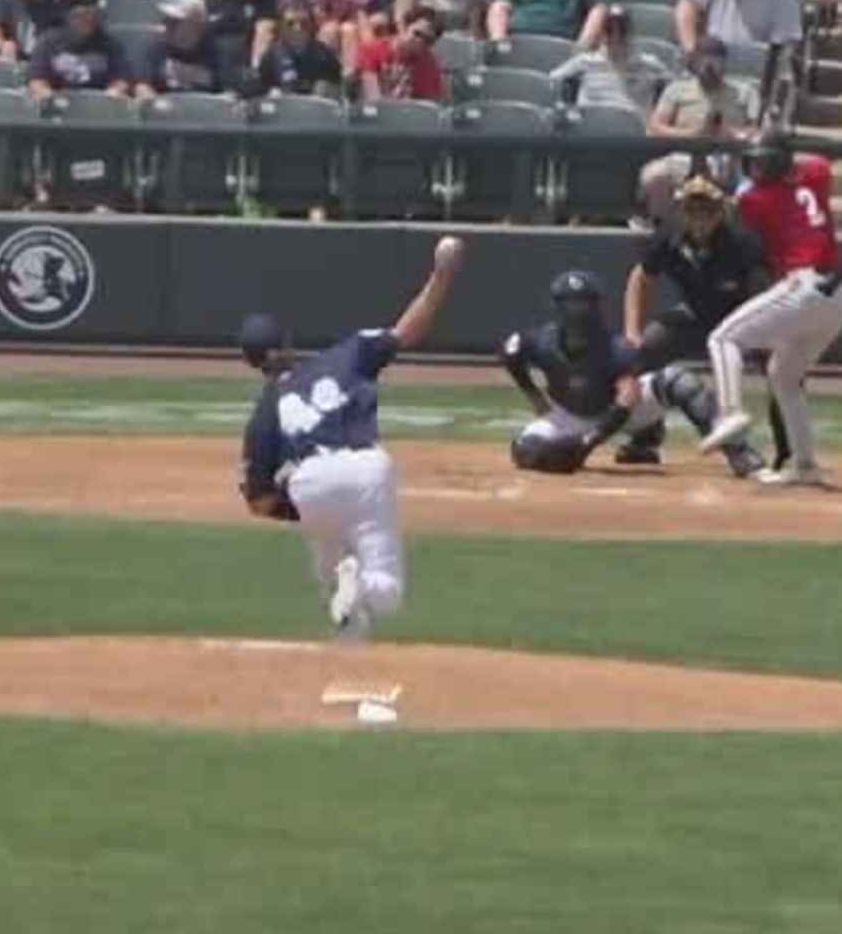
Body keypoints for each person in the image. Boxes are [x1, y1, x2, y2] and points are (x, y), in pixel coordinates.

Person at [234, 233, 467, 641]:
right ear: (288, 341)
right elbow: (408, 329)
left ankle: (351, 648)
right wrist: (442, 276)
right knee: (386, 591)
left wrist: (298, 505)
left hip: (309, 484)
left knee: (334, 581)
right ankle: (358, 584)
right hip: (366, 472)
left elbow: (260, 501)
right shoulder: (348, 353)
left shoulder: (264, 412)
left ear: (250, 361)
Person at [696, 133, 842, 487]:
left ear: (778, 164)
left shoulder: (754, 199)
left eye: (762, 162)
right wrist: (769, 146)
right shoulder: (817, 173)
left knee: (722, 339)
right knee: (783, 375)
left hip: (804, 287)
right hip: (838, 298)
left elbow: (735, 206)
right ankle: (805, 465)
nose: (756, 167)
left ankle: (731, 412)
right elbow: (813, 161)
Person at [619, 171, 780, 477]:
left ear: (721, 211)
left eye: (707, 210)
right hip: (694, 316)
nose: (699, 217)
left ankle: (787, 449)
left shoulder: (742, 243)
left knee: (780, 371)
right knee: (642, 352)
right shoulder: (669, 238)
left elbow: (770, 287)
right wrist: (632, 330)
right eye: (692, 209)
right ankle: (645, 436)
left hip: (741, 321)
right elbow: (641, 277)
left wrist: (770, 335)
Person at [500, 269, 651, 474]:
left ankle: (649, 437)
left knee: (681, 384)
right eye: (570, 304)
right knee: (526, 452)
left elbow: (629, 395)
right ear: (557, 307)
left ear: (595, 307)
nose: (577, 312)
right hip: (572, 414)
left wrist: (589, 441)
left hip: (620, 413)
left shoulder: (616, 347)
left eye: (583, 304)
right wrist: (535, 397)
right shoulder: (543, 341)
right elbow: (510, 353)